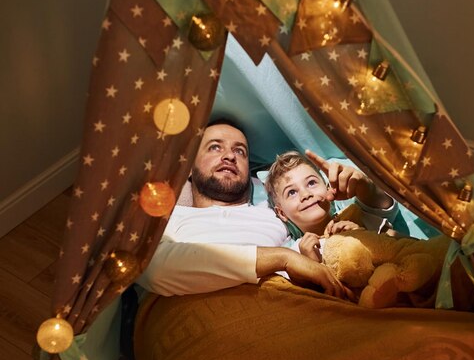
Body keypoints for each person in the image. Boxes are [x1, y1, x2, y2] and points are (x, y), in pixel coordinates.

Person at [136, 119, 392, 300]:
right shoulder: (169, 220)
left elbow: (336, 248)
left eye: (240, 151)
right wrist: (283, 258)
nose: (229, 156)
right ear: (188, 165)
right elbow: (152, 268)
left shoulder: (275, 215)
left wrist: (367, 190)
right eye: (215, 147)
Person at [265, 151, 449, 308]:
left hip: (421, 284)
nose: (306, 194)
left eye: (312, 183)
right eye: (292, 192)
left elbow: (380, 203)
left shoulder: (353, 214)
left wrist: (361, 231)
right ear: (282, 214)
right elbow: (308, 303)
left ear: (327, 187)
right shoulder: (295, 252)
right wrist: (311, 267)